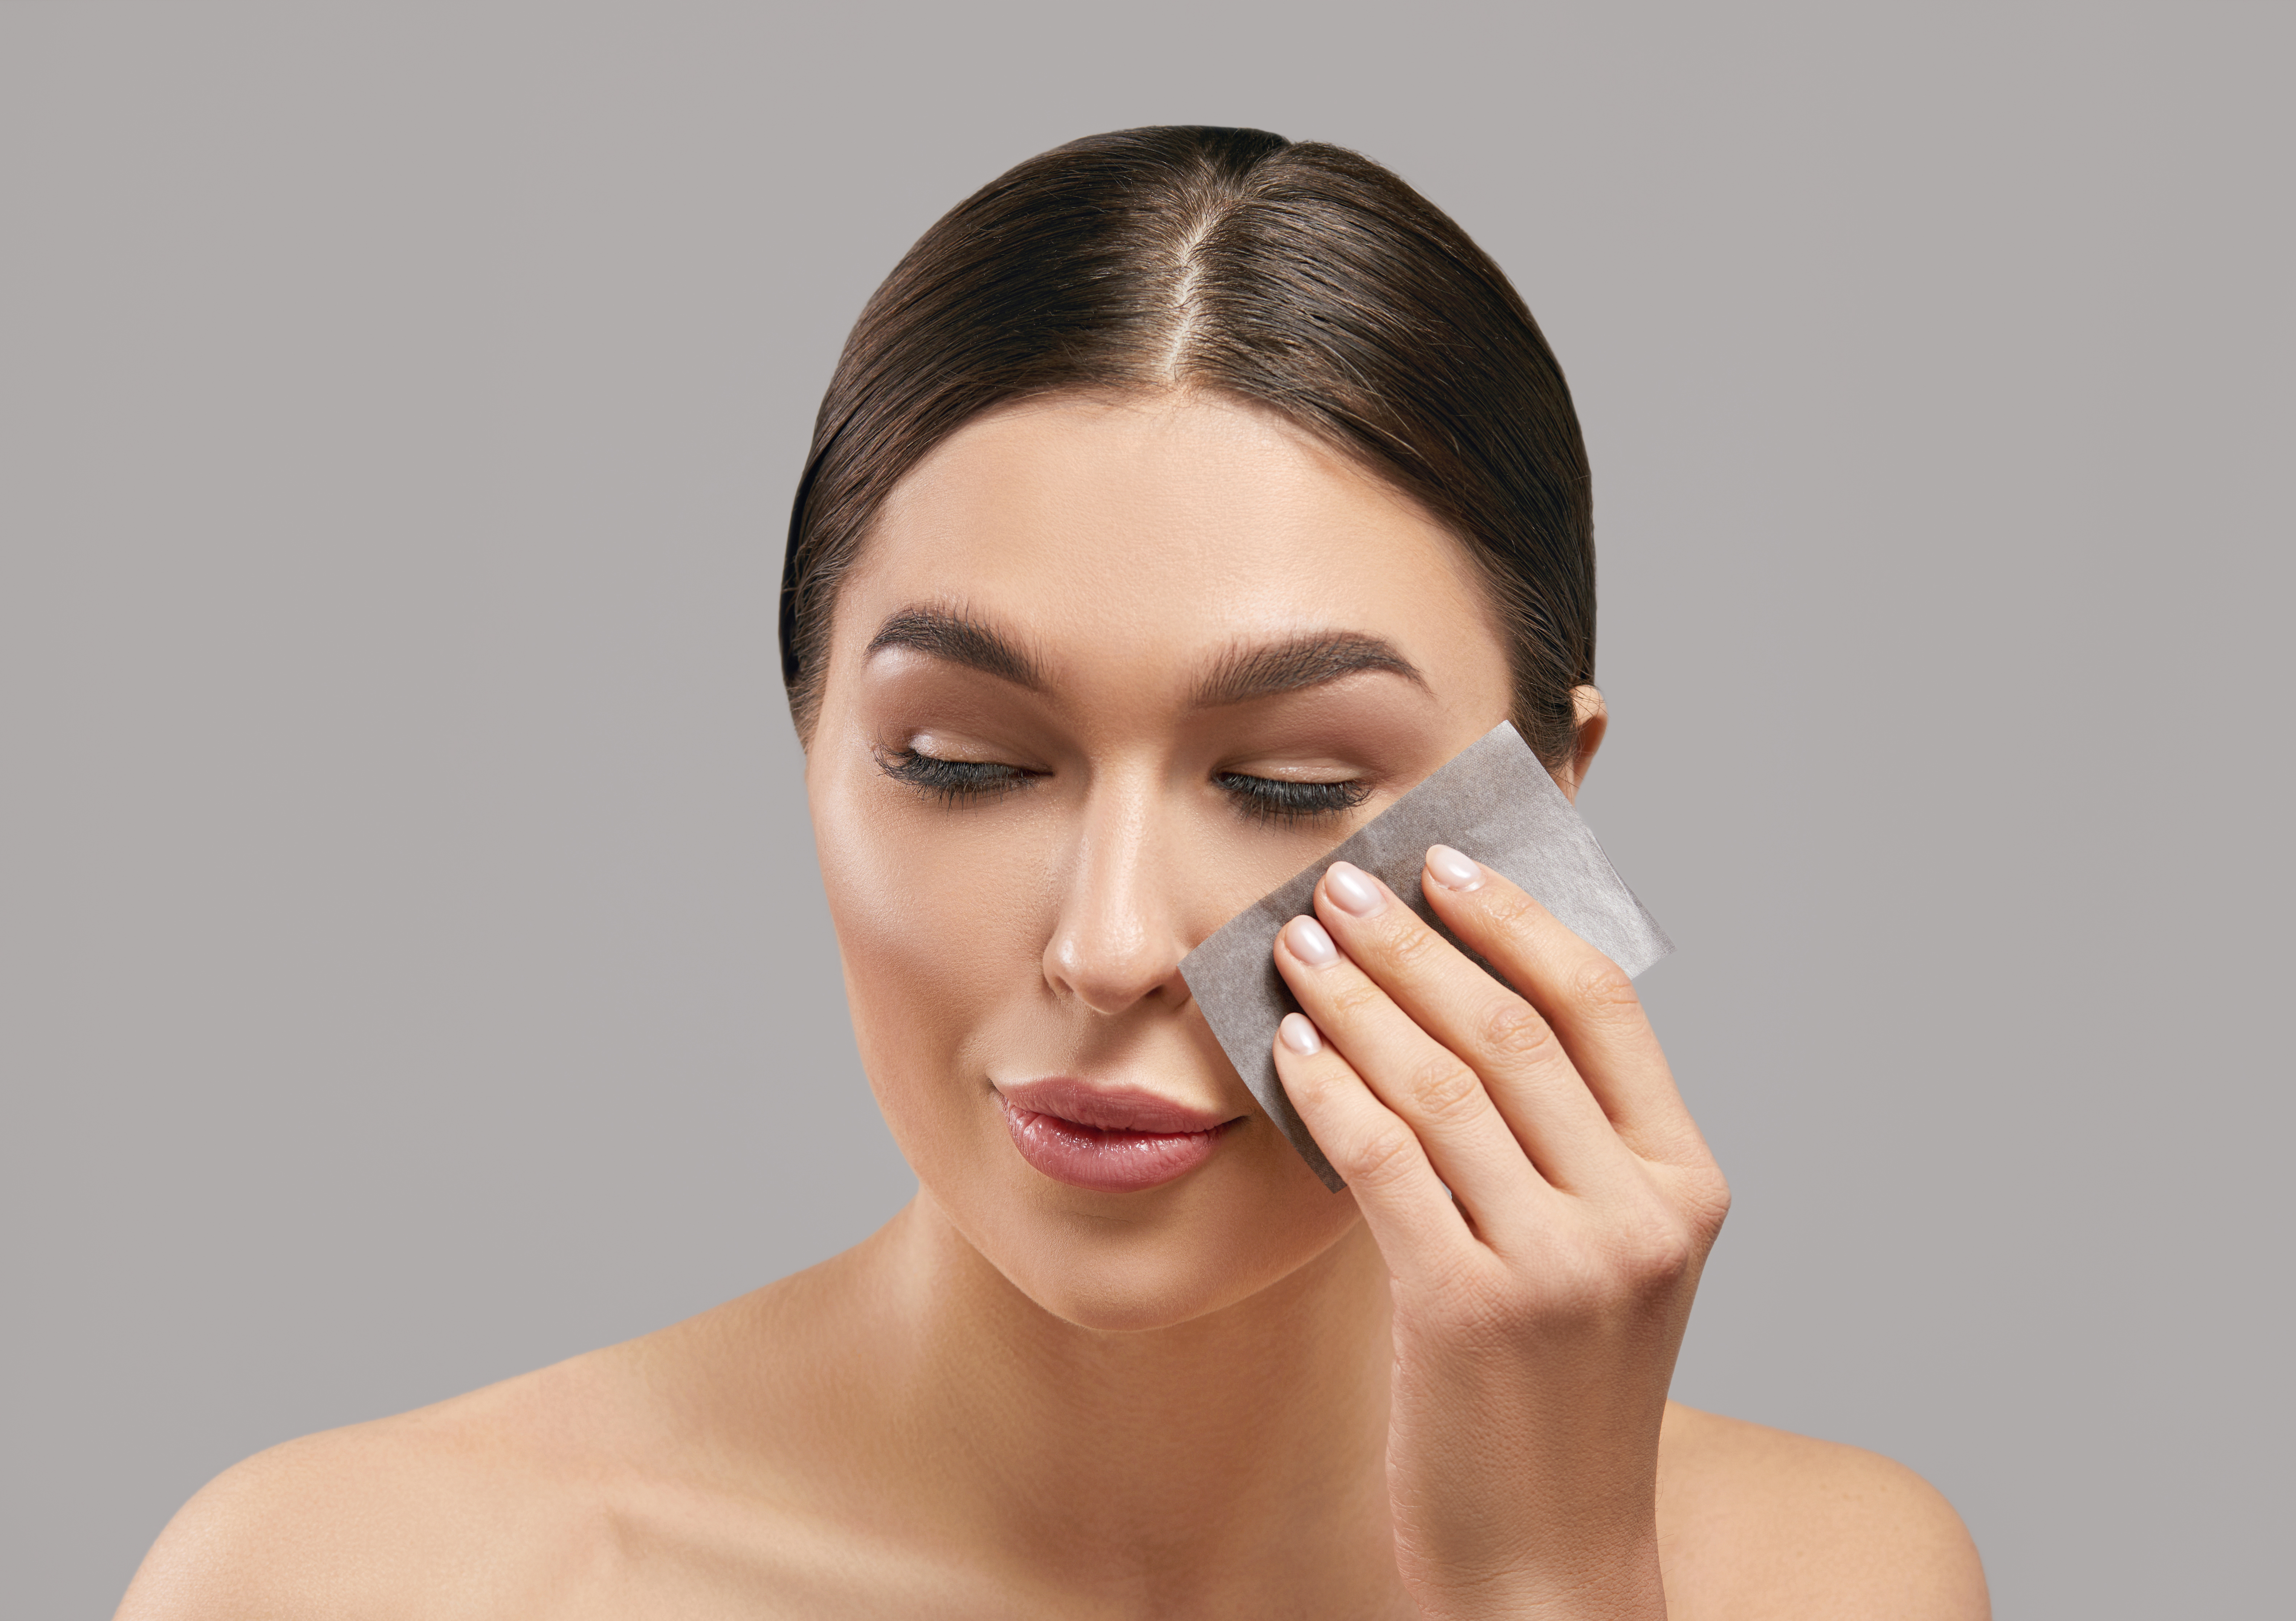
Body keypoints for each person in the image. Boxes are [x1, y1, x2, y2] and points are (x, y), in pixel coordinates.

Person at [118, 126, 1989, 1620]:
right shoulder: (356, 1586)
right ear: (808, 744)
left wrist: (1549, 1591)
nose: (1109, 946)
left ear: (1547, 811)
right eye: (963, 763)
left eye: (1285, 781)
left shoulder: (1821, 1586)